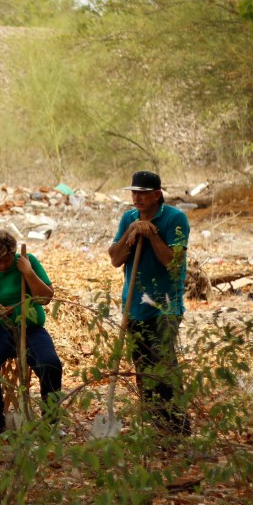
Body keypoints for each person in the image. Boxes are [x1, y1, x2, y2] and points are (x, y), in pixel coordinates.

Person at [107, 170, 191, 434]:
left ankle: (178, 426)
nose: (137, 198)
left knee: (163, 362)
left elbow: (173, 262)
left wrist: (152, 234)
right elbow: (115, 258)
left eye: (143, 193)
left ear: (156, 195)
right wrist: (132, 230)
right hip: (134, 304)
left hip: (165, 304)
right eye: (134, 193)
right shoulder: (128, 218)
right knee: (143, 367)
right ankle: (155, 425)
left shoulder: (175, 218)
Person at [0, 229, 62, 433]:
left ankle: (50, 422)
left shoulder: (27, 262)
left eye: (5, 261)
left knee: (50, 363)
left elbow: (45, 298)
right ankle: (0, 422)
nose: (0, 266)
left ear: (13, 253)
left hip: (30, 329)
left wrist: (28, 273)